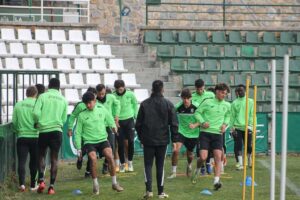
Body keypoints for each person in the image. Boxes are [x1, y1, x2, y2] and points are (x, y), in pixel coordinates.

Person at [136, 80, 178, 199]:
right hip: (162, 140)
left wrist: (141, 138)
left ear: (152, 90)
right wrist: (175, 140)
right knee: (160, 166)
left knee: (148, 165)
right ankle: (160, 192)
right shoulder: (168, 104)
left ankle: (149, 191)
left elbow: (138, 124)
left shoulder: (144, 104)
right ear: (162, 89)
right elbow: (174, 123)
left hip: (148, 140)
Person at [75, 92, 123, 195]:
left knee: (110, 156)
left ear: (95, 101)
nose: (88, 105)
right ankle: (95, 185)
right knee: (93, 158)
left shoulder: (102, 110)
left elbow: (110, 118)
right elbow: (78, 133)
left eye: (90, 103)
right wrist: (79, 148)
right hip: (89, 142)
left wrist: (113, 127)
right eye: (86, 104)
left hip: (102, 140)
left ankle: (114, 183)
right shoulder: (82, 115)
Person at [191, 83, 231, 191]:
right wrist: (203, 122)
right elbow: (197, 113)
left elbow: (228, 115)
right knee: (203, 157)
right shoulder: (207, 102)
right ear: (217, 91)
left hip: (218, 134)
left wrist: (225, 124)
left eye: (225, 94)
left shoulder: (227, 105)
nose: (224, 95)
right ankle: (198, 168)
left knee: (218, 156)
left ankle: (216, 181)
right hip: (205, 133)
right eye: (222, 93)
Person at [33, 78, 68, 195]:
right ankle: (51, 187)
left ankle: (41, 180)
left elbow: (35, 113)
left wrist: (37, 122)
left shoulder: (43, 96)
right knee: (54, 159)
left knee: (41, 155)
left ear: (49, 86)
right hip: (57, 131)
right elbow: (64, 119)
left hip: (44, 130)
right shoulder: (63, 99)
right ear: (59, 87)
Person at [167, 88, 199, 179]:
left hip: (193, 134)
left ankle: (189, 165)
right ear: (181, 98)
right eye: (184, 98)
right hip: (181, 132)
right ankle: (173, 172)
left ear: (191, 98)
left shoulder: (196, 106)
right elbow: (170, 115)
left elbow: (203, 120)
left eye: (187, 98)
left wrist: (195, 125)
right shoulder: (178, 107)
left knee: (189, 154)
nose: (186, 100)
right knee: (176, 150)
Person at [12, 86, 39, 192]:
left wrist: (17, 131)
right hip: (35, 137)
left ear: (26, 93)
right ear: (36, 94)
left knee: (21, 162)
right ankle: (33, 185)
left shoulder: (18, 105)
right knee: (34, 162)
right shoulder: (38, 104)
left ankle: (22, 184)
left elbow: (14, 122)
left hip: (22, 136)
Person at [68, 87, 97, 177]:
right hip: (82, 133)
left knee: (92, 152)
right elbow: (72, 116)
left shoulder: (96, 105)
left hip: (92, 133)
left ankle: (88, 171)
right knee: (83, 151)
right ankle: (80, 158)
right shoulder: (80, 106)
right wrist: (69, 128)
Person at [113, 80, 138, 172]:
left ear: (124, 87)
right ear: (115, 89)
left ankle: (130, 162)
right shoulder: (113, 96)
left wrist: (135, 116)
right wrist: (114, 119)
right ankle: (122, 164)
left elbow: (135, 104)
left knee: (131, 141)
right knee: (120, 143)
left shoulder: (130, 94)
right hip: (118, 122)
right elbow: (111, 107)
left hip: (129, 119)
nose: (120, 90)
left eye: (121, 88)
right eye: (118, 89)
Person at [96, 84, 120, 174]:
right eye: (99, 94)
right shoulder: (94, 101)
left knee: (112, 147)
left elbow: (118, 104)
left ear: (105, 91)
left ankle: (106, 164)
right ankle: (89, 168)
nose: (101, 96)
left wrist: (116, 115)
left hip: (109, 125)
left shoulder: (111, 97)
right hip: (99, 126)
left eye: (103, 93)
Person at [191, 79, 215, 175]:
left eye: (201, 89)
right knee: (199, 147)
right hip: (197, 124)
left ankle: (208, 163)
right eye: (198, 89)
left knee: (208, 146)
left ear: (204, 86)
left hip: (208, 124)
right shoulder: (192, 96)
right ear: (195, 88)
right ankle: (202, 166)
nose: (200, 91)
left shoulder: (210, 95)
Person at [229, 84, 254, 170]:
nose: (240, 92)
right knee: (237, 145)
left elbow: (252, 114)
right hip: (237, 127)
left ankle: (249, 158)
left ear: (245, 91)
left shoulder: (251, 101)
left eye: (241, 90)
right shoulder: (234, 103)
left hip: (248, 127)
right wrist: (231, 127)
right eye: (238, 91)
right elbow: (232, 116)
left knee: (248, 146)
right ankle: (240, 163)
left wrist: (251, 125)